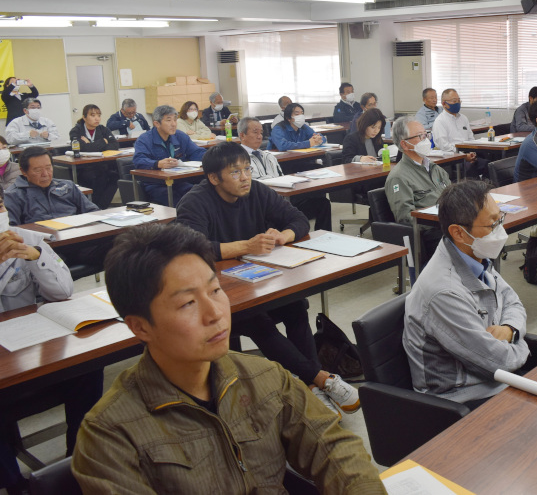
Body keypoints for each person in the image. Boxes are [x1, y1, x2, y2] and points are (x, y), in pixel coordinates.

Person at [71, 223, 384, 493]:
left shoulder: (265, 376)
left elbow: (334, 447)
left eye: (216, 291)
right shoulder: (109, 435)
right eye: (188, 303)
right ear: (140, 327)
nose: (215, 314)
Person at [175, 142, 359, 417]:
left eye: (247, 169)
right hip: (216, 293)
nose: (245, 177)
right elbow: (192, 248)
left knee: (296, 306)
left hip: (258, 278)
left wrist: (282, 236)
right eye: (235, 172)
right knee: (258, 321)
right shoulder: (194, 201)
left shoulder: (256, 191)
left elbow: (297, 218)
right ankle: (319, 378)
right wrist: (246, 247)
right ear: (214, 178)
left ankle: (310, 385)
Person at [0, 183, 101, 495]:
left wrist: (35, 256)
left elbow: (64, 291)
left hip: (31, 348)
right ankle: (15, 485)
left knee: (87, 367)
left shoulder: (27, 238)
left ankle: (79, 458)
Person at [403, 180, 530, 408]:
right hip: (460, 400)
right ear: (459, 233)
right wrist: (522, 345)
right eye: (492, 225)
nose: (500, 231)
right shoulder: (443, 291)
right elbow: (497, 362)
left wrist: (510, 331)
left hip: (496, 380)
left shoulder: (473, 256)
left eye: (499, 219)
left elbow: (513, 302)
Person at [4, 146, 111, 268]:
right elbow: (12, 232)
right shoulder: (13, 195)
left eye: (48, 168)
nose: (45, 174)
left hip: (81, 244)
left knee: (125, 245)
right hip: (46, 251)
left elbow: (94, 212)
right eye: (38, 170)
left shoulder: (67, 186)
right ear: (23, 171)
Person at [239, 117, 332, 232]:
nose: (259, 136)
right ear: (242, 135)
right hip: (259, 206)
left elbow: (281, 178)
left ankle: (324, 240)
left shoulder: (269, 156)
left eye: (261, 133)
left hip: (280, 201)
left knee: (322, 204)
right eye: (255, 132)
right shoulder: (237, 159)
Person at [385, 116, 450, 263]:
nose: (426, 140)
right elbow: (405, 218)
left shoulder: (435, 169)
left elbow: (453, 197)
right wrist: (436, 220)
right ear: (405, 144)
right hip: (431, 233)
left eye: (426, 134)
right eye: (420, 136)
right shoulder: (399, 177)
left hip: (448, 224)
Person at [133, 104, 206, 206]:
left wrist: (211, 157)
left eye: (175, 120)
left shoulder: (180, 136)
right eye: (168, 120)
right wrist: (157, 163)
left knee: (198, 195)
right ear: (157, 123)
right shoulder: (145, 139)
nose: (173, 124)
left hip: (179, 181)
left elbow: (196, 152)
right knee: (178, 201)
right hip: (156, 184)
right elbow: (138, 160)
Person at [68, 104, 120, 209]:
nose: (97, 118)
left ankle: (100, 207)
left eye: (99, 115)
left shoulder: (103, 129)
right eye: (92, 115)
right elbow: (83, 148)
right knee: (98, 177)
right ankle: (95, 207)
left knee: (116, 177)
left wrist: (91, 144)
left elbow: (115, 145)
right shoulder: (76, 131)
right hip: (84, 167)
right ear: (84, 117)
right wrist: (103, 141)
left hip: (102, 164)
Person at [431, 88, 487, 178]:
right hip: (453, 158)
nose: (457, 103)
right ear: (444, 104)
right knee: (470, 168)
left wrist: (472, 153)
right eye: (454, 101)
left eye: (459, 100)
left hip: (468, 154)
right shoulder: (440, 121)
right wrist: (463, 156)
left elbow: (471, 138)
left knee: (489, 164)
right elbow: (444, 146)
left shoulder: (463, 118)